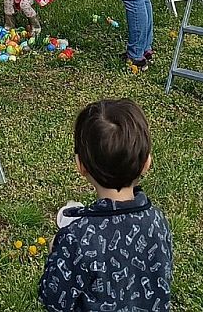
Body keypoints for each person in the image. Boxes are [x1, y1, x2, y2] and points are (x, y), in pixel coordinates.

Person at [40, 98, 174, 311]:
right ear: (147, 163)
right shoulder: (157, 220)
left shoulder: (77, 237)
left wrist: (56, 251)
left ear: (81, 166)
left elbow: (54, 300)